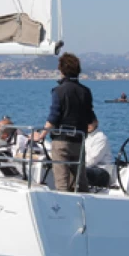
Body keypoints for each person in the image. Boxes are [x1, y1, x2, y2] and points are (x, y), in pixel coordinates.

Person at [34, 53, 95, 193]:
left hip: (61, 141)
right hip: (79, 141)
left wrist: (41, 135)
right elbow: (92, 120)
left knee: (62, 182)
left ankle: (62, 211)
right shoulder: (86, 92)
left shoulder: (59, 91)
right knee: (80, 181)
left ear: (61, 70)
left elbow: (53, 117)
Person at [85, 118, 113, 188]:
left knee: (81, 172)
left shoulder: (101, 138)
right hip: (87, 167)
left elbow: (92, 160)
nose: (88, 124)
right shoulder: (83, 136)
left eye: (90, 122)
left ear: (96, 123)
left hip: (102, 171)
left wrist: (75, 166)